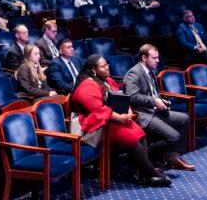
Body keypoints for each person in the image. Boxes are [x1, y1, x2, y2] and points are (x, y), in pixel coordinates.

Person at [70, 55, 170, 187]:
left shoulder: (106, 80)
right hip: (93, 124)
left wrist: (128, 111)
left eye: (107, 64)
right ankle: (151, 173)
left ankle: (142, 174)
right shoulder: (87, 85)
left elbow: (121, 97)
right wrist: (120, 117)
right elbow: (99, 110)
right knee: (129, 137)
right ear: (94, 70)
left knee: (138, 131)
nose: (107, 67)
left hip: (111, 120)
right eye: (103, 66)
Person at [122, 45, 194, 172]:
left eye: (158, 57)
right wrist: (154, 101)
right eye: (154, 58)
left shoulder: (150, 71)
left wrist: (161, 101)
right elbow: (132, 97)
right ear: (144, 58)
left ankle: (173, 158)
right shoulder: (134, 73)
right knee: (174, 136)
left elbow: (153, 93)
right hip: (143, 114)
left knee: (185, 118)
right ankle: (145, 156)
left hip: (155, 111)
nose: (158, 61)